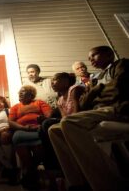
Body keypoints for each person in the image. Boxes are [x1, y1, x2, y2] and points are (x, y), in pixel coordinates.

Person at [48, 46, 129, 191]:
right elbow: (84, 101)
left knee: (68, 122)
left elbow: (119, 88)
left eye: (94, 56)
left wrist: (95, 92)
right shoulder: (95, 78)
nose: (91, 60)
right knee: (54, 130)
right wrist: (98, 90)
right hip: (98, 112)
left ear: (108, 54)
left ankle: (108, 183)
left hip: (117, 109)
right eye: (89, 58)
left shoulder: (121, 65)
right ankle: (78, 183)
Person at [9, 85, 52, 190]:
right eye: (20, 92)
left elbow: (48, 115)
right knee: (18, 138)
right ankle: (32, 173)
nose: (20, 93)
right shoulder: (15, 107)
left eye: (23, 92)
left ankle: (29, 174)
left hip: (38, 129)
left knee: (40, 142)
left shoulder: (39, 102)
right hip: (22, 130)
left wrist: (41, 122)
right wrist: (24, 128)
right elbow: (10, 122)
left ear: (30, 94)